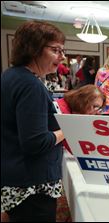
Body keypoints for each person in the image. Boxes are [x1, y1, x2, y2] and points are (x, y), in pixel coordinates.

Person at [1, 20, 65, 222]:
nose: (62, 57)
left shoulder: (11, 76)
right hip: (31, 185)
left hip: (15, 175)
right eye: (56, 50)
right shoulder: (30, 85)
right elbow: (34, 142)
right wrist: (68, 129)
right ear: (34, 48)